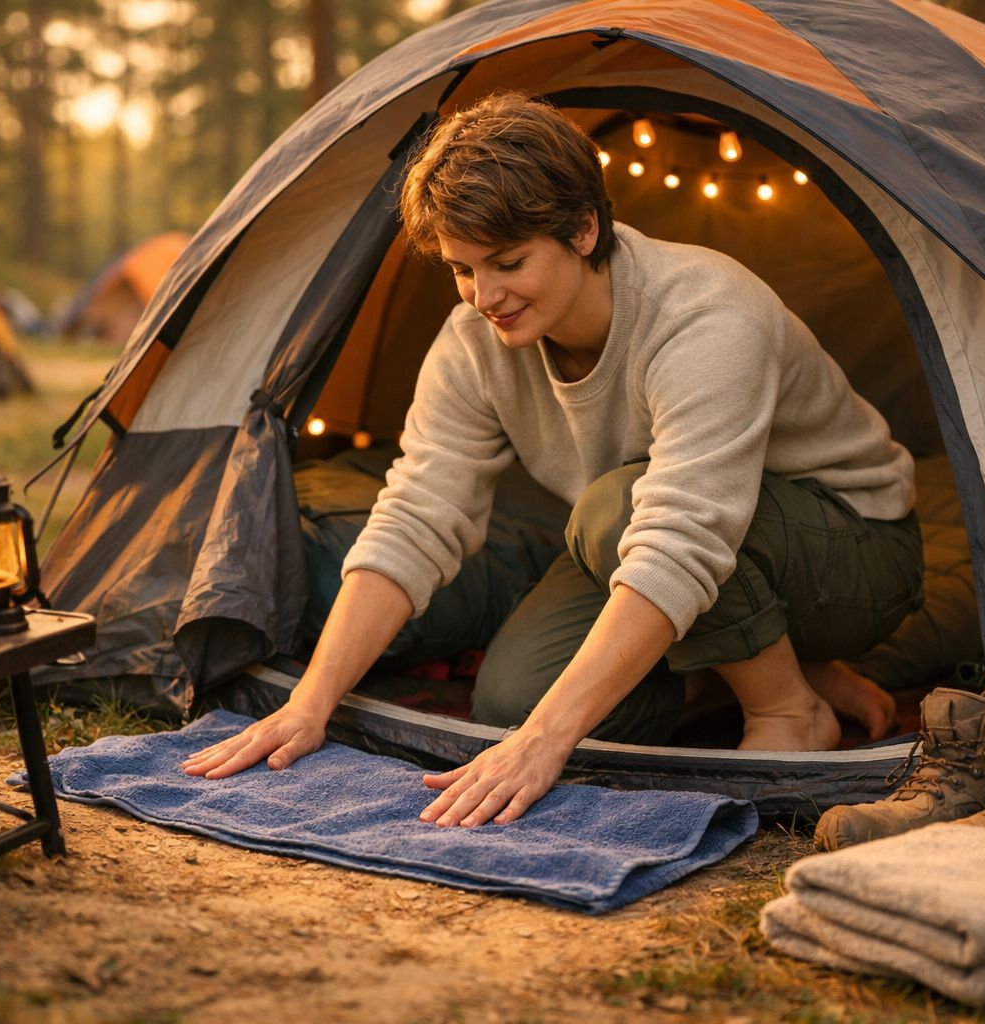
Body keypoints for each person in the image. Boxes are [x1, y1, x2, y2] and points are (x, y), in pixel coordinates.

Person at [183, 92, 923, 828]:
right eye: (462, 270)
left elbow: (681, 537)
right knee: (510, 704)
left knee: (613, 520)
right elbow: (416, 515)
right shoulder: (473, 344)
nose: (486, 297)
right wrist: (309, 705)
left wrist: (545, 746)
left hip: (850, 549)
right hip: (656, 534)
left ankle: (788, 706)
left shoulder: (707, 316)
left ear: (582, 228)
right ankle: (760, 664)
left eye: (508, 263)